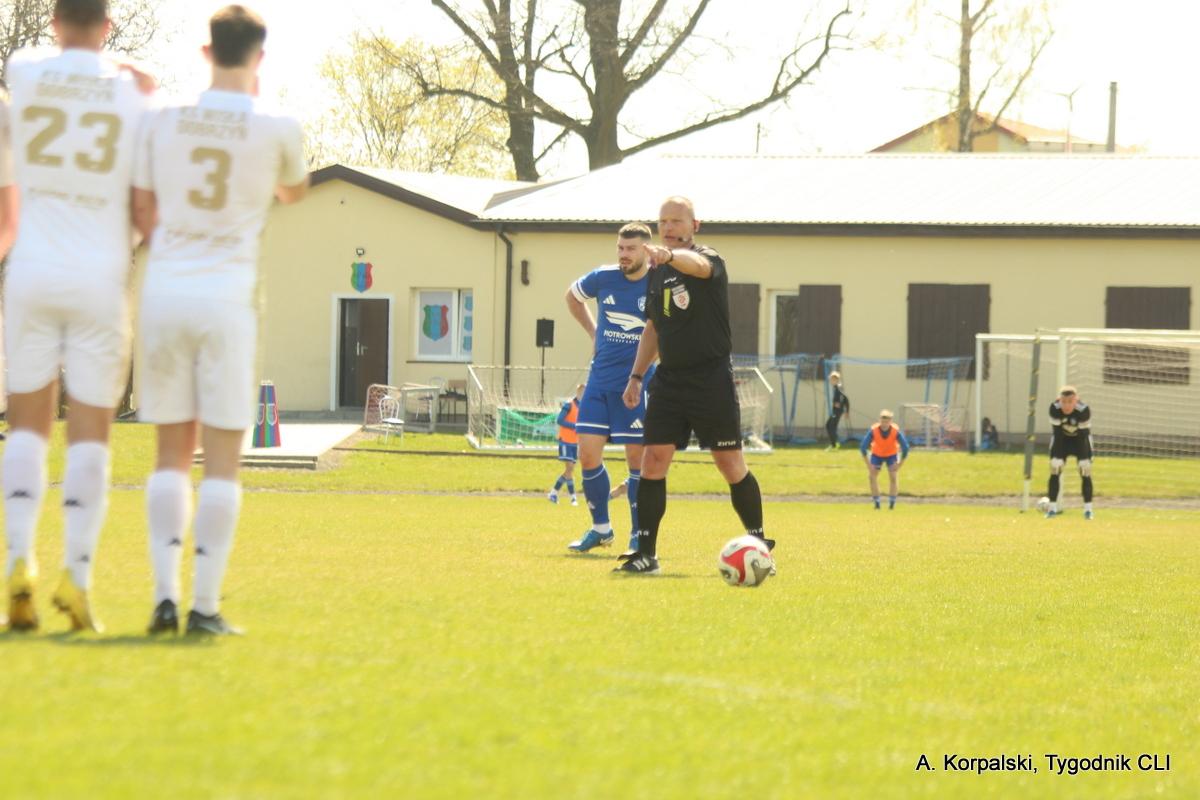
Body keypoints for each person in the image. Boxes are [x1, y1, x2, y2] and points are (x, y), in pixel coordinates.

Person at [132, 4, 309, 636]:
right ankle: (204, 606)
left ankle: (163, 598)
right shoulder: (276, 124)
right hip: (228, 299)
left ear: (206, 52)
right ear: (259, 57)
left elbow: (143, 207)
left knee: (170, 454)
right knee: (224, 458)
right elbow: (293, 190)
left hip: (165, 291)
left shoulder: (163, 118)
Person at [2, 0, 154, 633]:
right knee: (91, 433)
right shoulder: (132, 95)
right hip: (99, 274)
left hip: (32, 268)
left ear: (55, 21)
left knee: (26, 428)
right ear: (109, 26)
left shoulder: (26, 68)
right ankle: (78, 578)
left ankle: (18, 562)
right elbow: (143, 204)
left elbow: (33, 68)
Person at [618, 196, 773, 575]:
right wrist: (636, 375)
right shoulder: (656, 273)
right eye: (663, 222)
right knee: (652, 461)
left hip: (710, 379)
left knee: (729, 463)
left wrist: (670, 256)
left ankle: (759, 545)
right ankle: (646, 554)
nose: (668, 228)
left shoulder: (707, 258)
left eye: (676, 221)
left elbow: (699, 266)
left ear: (694, 225)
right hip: (669, 381)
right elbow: (653, 328)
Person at [565, 223, 655, 554]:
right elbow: (572, 297)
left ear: (646, 251)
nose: (623, 255)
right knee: (587, 454)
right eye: (620, 248)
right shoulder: (603, 277)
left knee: (637, 461)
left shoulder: (658, 282)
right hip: (599, 381)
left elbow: (664, 331)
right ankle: (601, 529)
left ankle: (639, 534)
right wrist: (593, 332)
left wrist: (643, 370)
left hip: (636, 383)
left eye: (630, 249)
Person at [1044, 386, 1094, 520]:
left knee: (1085, 470)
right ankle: (1052, 509)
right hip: (1062, 440)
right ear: (1059, 400)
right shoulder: (1054, 409)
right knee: (1055, 468)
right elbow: (1057, 434)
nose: (1066, 406)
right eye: (1064, 402)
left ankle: (1088, 510)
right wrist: (1058, 456)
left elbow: (1083, 435)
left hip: (1080, 440)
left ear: (1076, 400)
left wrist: (1084, 458)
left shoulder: (1083, 411)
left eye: (1070, 402)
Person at [859, 410, 909, 510]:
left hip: (891, 454)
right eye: (882, 421)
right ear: (879, 420)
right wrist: (869, 465)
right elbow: (863, 447)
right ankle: (877, 502)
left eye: (886, 422)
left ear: (890, 421)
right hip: (877, 454)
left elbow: (905, 448)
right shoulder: (873, 430)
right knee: (872, 477)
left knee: (893, 476)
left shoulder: (895, 431)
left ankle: (892, 502)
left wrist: (900, 464)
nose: (884, 424)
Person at [549, 384, 583, 506]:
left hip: (575, 442)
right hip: (565, 441)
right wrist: (574, 426)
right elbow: (560, 420)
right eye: (582, 392)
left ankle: (553, 493)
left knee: (569, 470)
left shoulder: (583, 406)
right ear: (578, 392)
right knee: (569, 469)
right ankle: (573, 498)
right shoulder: (569, 405)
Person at [824, 371, 849, 450]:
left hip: (837, 411)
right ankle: (834, 444)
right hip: (836, 411)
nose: (831, 381)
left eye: (833, 379)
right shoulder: (835, 388)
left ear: (837, 380)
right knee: (830, 426)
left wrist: (844, 409)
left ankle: (834, 444)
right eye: (831, 379)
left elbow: (845, 399)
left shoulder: (838, 388)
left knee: (830, 426)